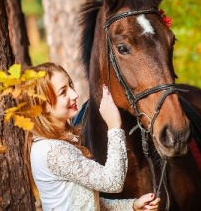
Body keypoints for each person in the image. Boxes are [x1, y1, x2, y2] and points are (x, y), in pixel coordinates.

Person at [22, 62, 160, 211]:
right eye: (63, 92)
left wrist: (132, 206)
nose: (75, 95)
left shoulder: (50, 144)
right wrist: (114, 126)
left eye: (70, 86)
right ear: (42, 106)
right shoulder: (53, 151)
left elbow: (86, 203)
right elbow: (113, 182)